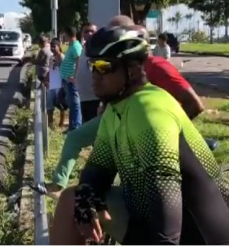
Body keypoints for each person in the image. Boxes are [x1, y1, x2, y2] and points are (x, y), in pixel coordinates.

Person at [50, 25, 228, 245]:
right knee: (73, 199)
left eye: (104, 67)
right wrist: (87, 201)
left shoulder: (149, 111)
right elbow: (98, 169)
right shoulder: (116, 109)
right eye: (92, 65)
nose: (94, 75)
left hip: (196, 234)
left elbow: (166, 215)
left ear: (132, 70)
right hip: (147, 215)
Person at [37, 18, 205, 198]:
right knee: (81, 152)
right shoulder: (115, 67)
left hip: (149, 128)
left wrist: (170, 132)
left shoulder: (156, 66)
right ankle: (62, 186)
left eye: (113, 33)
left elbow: (195, 104)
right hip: (120, 118)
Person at [76, 23, 100, 123]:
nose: (89, 33)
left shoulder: (99, 51)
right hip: (83, 98)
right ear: (82, 34)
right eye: (86, 31)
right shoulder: (83, 49)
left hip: (96, 99)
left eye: (92, 31)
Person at [60, 26, 83, 131]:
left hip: (71, 80)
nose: (63, 36)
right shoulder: (71, 45)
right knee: (70, 103)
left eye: (64, 34)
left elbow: (79, 60)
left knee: (74, 104)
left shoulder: (76, 46)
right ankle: (72, 126)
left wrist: (75, 77)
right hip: (66, 79)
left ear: (68, 34)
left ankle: (75, 127)